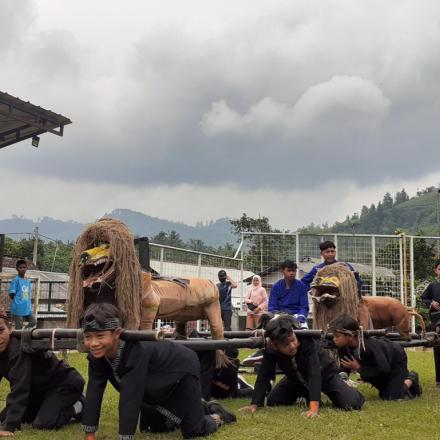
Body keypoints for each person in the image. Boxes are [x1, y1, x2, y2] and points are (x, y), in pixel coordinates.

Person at [81, 303, 236, 439]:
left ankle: (218, 415)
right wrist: (89, 436)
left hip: (182, 370)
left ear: (116, 334)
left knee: (194, 430)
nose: (93, 343)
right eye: (88, 337)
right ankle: (198, 407)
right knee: (153, 428)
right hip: (155, 381)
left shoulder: (136, 351)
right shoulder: (97, 355)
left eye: (100, 336)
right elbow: (94, 391)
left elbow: (130, 397)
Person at [240, 314, 364, 417]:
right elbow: (264, 374)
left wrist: (314, 408)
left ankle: (345, 386)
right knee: (274, 400)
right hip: (295, 379)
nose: (293, 345)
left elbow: (314, 373)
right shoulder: (271, 348)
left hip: (325, 375)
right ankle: (305, 393)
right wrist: (255, 404)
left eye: (293, 340)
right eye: (287, 345)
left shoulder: (306, 340)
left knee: (351, 404)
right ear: (275, 345)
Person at [0, 309, 84, 435]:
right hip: (39, 391)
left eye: (0, 331)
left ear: (10, 329)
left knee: (43, 424)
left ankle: (79, 406)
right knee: (4, 417)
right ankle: (47, 407)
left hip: (63, 384)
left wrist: (10, 427)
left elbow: (20, 388)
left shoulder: (17, 350)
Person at [329, 314, 422, 400]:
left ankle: (412, 378)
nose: (334, 339)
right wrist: (341, 382)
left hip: (395, 359)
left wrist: (359, 368)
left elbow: (384, 369)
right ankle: (396, 386)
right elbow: (344, 368)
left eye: (337, 336)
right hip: (378, 367)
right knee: (384, 391)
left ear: (350, 336)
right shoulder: (343, 347)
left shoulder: (370, 346)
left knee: (391, 396)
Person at [268, 260, 309, 327]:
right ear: (282, 271)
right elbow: (272, 307)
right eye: (289, 270)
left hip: (297, 316)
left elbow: (304, 307)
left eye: (293, 271)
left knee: (304, 329)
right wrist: (278, 316)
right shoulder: (276, 286)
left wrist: (300, 317)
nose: (292, 273)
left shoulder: (301, 286)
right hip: (280, 316)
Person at [421, 258, 440, 386]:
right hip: (436, 320)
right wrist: (431, 303)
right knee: (438, 348)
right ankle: (439, 379)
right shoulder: (432, 286)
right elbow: (423, 298)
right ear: (436, 271)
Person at [8, 260, 37, 329]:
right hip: (18, 307)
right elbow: (11, 294)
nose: (22, 269)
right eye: (20, 267)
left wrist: (27, 303)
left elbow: (27, 294)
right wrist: (18, 302)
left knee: (34, 321)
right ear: (17, 269)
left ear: (26, 268)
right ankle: (18, 339)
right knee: (18, 327)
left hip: (27, 307)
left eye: (24, 267)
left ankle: (24, 333)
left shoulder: (27, 280)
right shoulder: (16, 280)